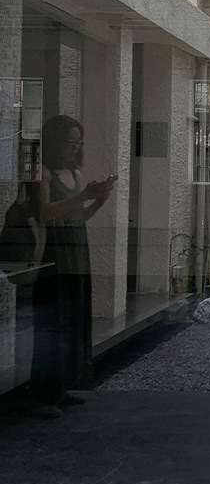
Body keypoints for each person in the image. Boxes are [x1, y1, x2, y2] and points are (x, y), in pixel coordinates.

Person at [25, 115, 115, 419]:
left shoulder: (73, 174)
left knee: (72, 317)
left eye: (79, 142)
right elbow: (44, 214)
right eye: (70, 141)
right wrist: (83, 196)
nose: (75, 147)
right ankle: (42, 393)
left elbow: (77, 219)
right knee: (53, 317)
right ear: (55, 142)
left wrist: (97, 201)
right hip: (54, 252)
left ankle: (62, 386)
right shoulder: (43, 173)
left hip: (76, 249)